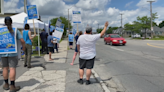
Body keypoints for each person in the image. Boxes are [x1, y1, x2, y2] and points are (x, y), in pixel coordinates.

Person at [1, 17, 25, 92]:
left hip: (2, 52)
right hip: (12, 52)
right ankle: (12, 86)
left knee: (5, 68)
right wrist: (23, 48)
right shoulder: (15, 30)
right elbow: (22, 40)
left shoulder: (0, 30)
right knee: (12, 68)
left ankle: (6, 84)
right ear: (11, 22)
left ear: (4, 22)